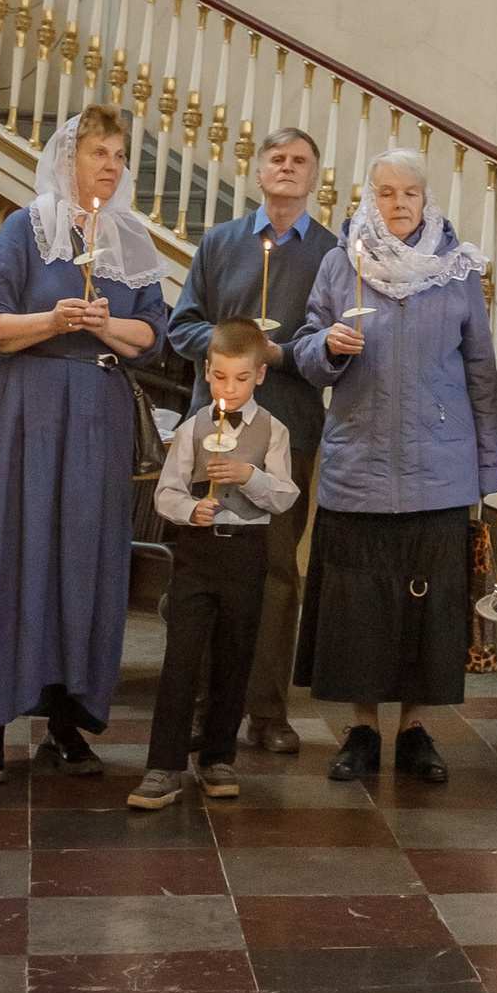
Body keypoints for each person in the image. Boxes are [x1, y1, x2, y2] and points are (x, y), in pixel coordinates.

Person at [0, 104, 165, 784]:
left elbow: (152, 337)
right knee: (12, 552)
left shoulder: (132, 240)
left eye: (119, 155)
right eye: (99, 151)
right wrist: (52, 320)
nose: (111, 165)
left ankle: (68, 721)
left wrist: (102, 327)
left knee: (86, 558)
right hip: (32, 410)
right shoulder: (26, 227)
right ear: (67, 158)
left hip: (99, 414)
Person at [291, 152, 497, 785]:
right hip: (359, 463)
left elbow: (481, 372)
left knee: (428, 610)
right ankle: (362, 729)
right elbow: (305, 348)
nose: (399, 203)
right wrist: (327, 346)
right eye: (387, 192)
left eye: (410, 192)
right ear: (370, 199)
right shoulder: (342, 262)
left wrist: (487, 468)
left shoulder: (456, 269)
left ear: (426, 198)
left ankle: (415, 730)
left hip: (439, 466)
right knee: (360, 609)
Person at [163, 126, 333, 752]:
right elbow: (180, 327)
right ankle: (204, 705)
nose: (287, 168)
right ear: (258, 172)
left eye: (299, 160)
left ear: (314, 177)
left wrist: (280, 353)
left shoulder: (331, 254)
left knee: (276, 572)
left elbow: (334, 352)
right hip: (214, 432)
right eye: (277, 159)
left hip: (287, 431)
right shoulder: (220, 243)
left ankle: (266, 710)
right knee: (205, 565)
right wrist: (233, 349)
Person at [129, 320, 301, 811]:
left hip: (246, 552)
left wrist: (250, 476)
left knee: (234, 655)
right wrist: (190, 510)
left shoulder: (274, 431)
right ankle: (163, 766)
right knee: (181, 658)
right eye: (220, 377)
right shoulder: (191, 430)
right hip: (197, 553)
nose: (229, 388)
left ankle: (218, 759)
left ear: (259, 376)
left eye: (241, 379)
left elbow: (285, 496)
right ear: (206, 372)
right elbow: (166, 493)